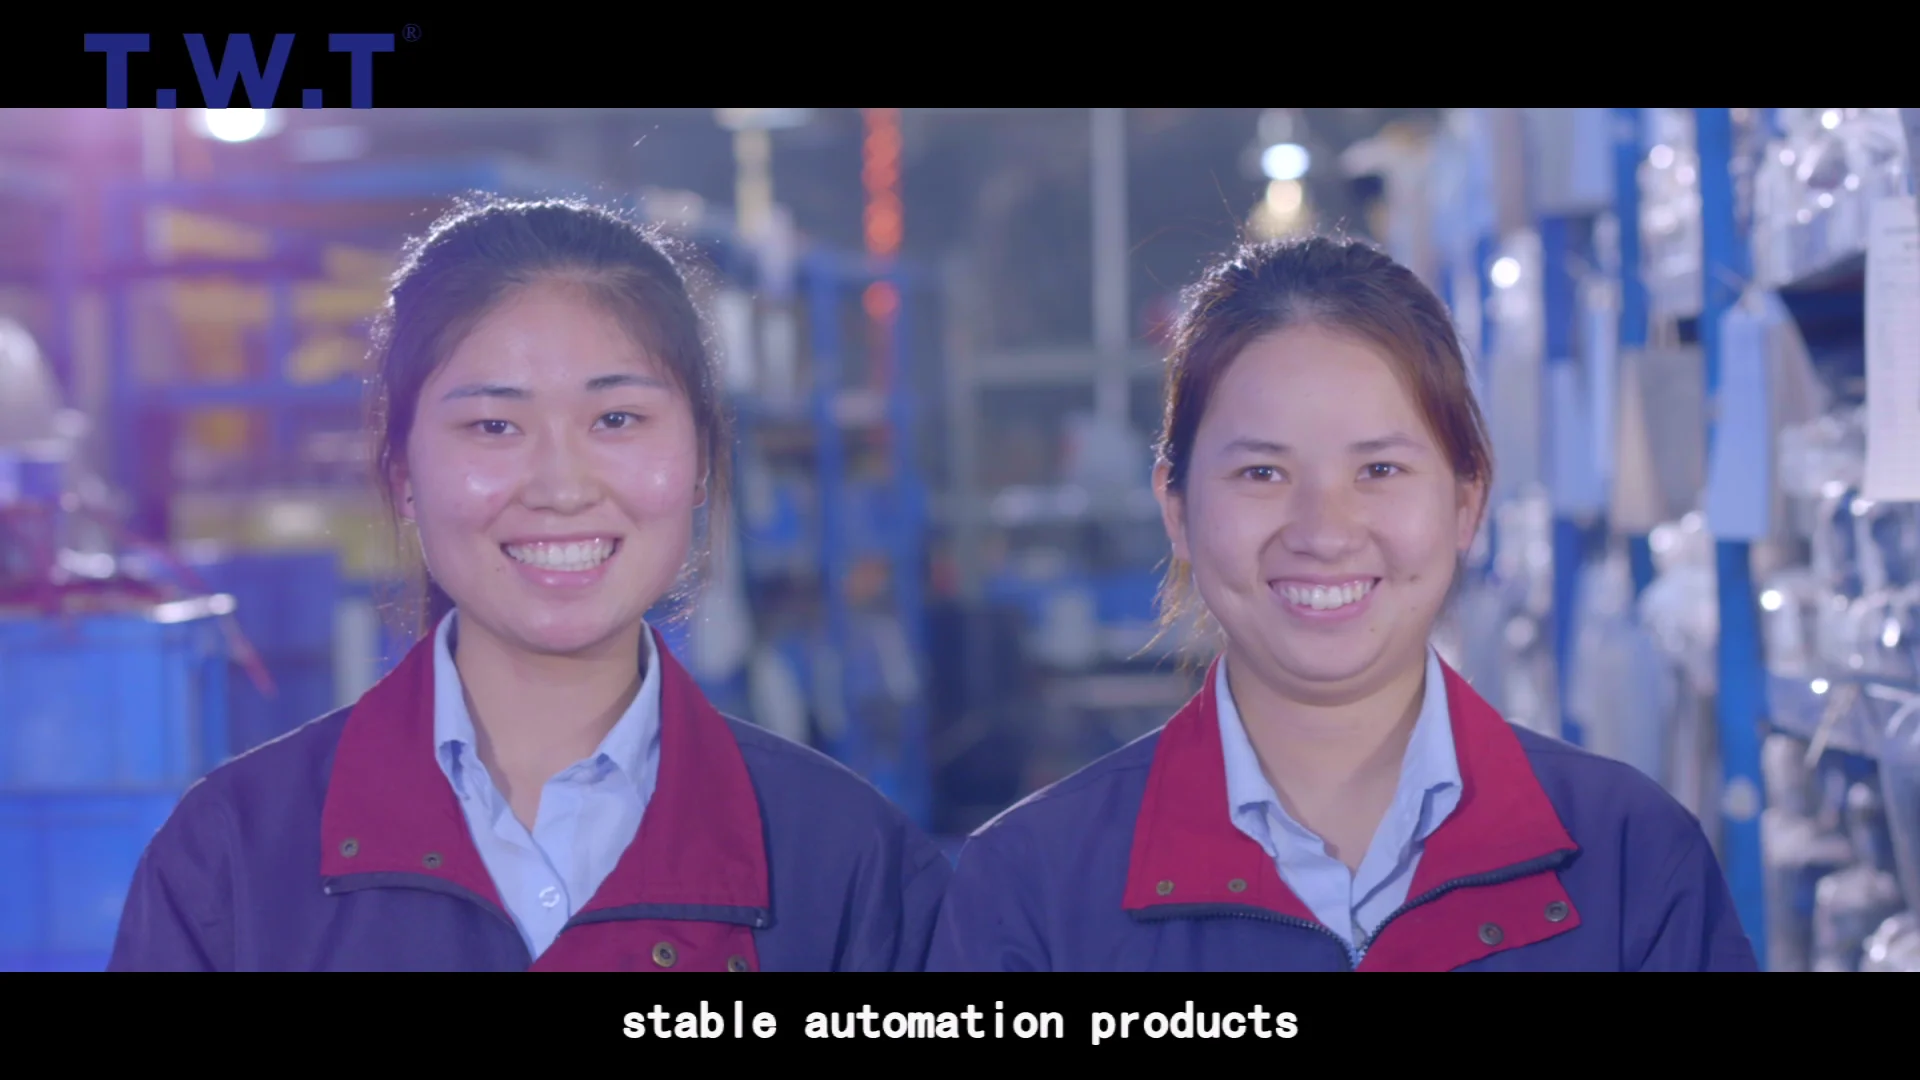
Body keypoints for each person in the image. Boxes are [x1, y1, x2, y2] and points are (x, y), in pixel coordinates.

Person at [110, 196, 951, 971]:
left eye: (616, 419)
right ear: (403, 474)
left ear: (700, 457)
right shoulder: (231, 862)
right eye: (494, 425)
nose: (561, 486)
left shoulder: (850, 868)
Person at [926, 235, 1758, 972]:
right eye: (1262, 473)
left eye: (1379, 470)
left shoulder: (1631, 860)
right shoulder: (1031, 891)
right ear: (1176, 510)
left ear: (1466, 504)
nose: (1324, 532)